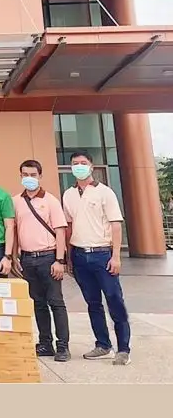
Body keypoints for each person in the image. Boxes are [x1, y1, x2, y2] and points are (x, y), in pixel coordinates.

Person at [62, 150, 130, 365]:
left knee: (114, 300)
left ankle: (123, 349)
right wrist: (68, 258)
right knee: (93, 303)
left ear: (91, 166)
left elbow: (116, 225)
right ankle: (103, 344)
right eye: (75, 163)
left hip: (102, 255)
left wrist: (116, 256)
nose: (79, 166)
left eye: (83, 163)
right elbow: (68, 227)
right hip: (80, 255)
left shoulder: (105, 192)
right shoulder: (68, 194)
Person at [12, 159, 70, 362]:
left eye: (33, 175)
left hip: (48, 257)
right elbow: (14, 231)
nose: (29, 178)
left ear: (40, 176)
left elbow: (60, 231)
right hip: (27, 259)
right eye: (25, 175)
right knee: (38, 303)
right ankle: (45, 343)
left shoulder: (51, 201)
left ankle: (63, 346)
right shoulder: (16, 201)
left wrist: (59, 260)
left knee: (56, 302)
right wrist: (15, 256)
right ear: (20, 176)